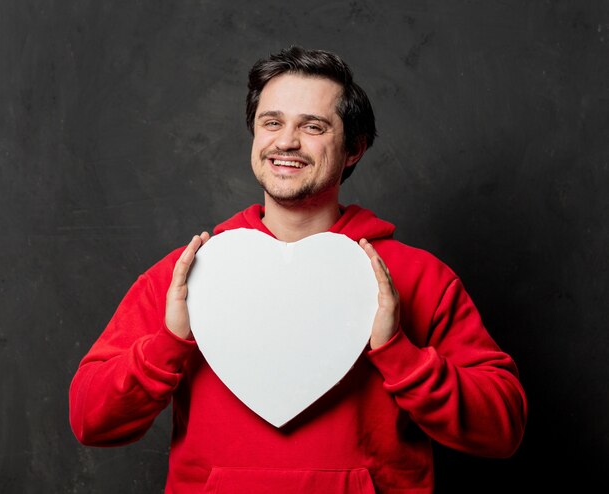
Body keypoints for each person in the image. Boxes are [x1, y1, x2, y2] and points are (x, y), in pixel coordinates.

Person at [69, 45, 527, 493]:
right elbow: (90, 420)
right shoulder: (185, 275)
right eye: (272, 122)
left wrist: (398, 353)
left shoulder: (418, 276)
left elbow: (503, 430)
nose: (286, 141)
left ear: (353, 149)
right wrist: (169, 345)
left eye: (313, 126)